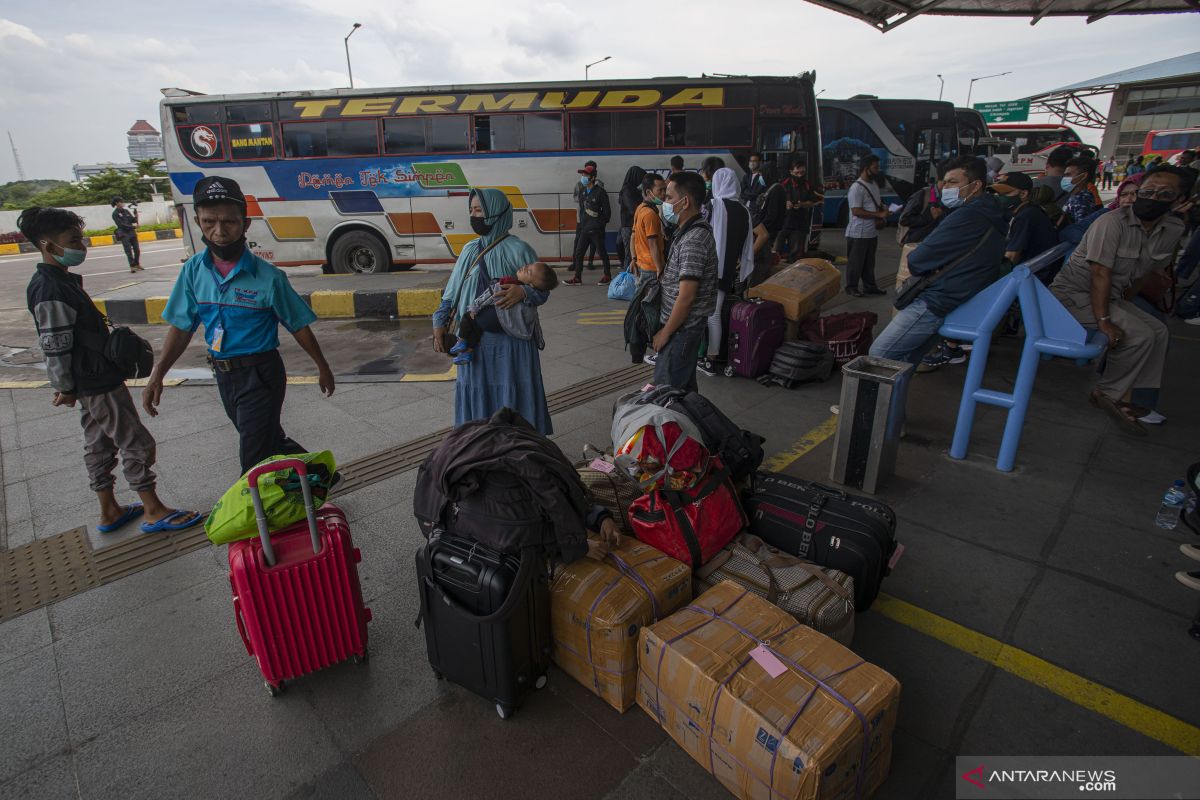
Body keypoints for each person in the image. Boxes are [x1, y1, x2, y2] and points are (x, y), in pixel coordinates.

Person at [21, 207, 202, 534]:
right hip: (96, 381)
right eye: (73, 240)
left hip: (89, 379)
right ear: (48, 246)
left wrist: (69, 384)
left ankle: (109, 510)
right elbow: (54, 343)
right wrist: (64, 386)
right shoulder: (50, 289)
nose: (82, 245)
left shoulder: (59, 281)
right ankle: (153, 508)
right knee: (135, 441)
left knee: (99, 443)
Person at [143, 177, 335, 476]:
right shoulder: (193, 271)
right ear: (197, 222)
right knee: (266, 439)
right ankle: (322, 475)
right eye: (209, 222)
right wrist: (158, 374)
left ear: (245, 224)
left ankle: (260, 518)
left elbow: (298, 326)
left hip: (261, 374)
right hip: (223, 374)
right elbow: (181, 328)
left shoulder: (269, 278)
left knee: (253, 458)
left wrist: (322, 366)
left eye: (229, 222)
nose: (219, 232)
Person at [1048, 166, 1189, 436]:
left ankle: (1133, 398)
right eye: (1148, 192)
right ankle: (1109, 392)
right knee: (1140, 334)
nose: (1153, 198)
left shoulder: (1172, 228)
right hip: (1076, 295)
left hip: (1112, 296)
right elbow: (1099, 273)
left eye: (1165, 194)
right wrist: (1105, 321)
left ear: (1179, 200)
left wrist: (1126, 305)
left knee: (1158, 331)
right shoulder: (1111, 223)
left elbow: (1147, 272)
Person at [433, 188, 553, 433]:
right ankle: (480, 445)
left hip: (512, 343)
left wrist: (524, 292)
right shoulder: (469, 250)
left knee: (512, 392)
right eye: (472, 210)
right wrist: (440, 321)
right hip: (473, 341)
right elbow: (452, 290)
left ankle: (518, 446)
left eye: (479, 210)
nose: (474, 216)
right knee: (478, 394)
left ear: (498, 213)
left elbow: (542, 289)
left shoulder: (520, 250)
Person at [870, 156, 1006, 366]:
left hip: (937, 300)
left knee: (879, 354)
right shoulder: (993, 212)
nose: (946, 188)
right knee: (907, 358)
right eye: (945, 182)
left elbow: (916, 260)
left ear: (976, 185)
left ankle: (875, 399)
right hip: (959, 296)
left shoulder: (967, 216)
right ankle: (893, 398)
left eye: (953, 182)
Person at [652, 171, 718, 392]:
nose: (665, 203)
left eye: (669, 198)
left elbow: (687, 296)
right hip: (682, 329)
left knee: (667, 393)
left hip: (681, 330)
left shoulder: (694, 240)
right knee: (684, 391)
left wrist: (666, 332)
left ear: (685, 202)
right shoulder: (686, 231)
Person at [698, 167, 754, 377]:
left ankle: (711, 360)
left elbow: (700, 227)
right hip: (728, 269)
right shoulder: (744, 210)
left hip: (709, 267)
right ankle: (711, 357)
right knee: (715, 313)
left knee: (709, 315)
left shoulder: (713, 205)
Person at [450, 262, 558, 365]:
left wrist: (475, 306)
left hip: (494, 320)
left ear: (531, 284)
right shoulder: (528, 294)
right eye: (528, 266)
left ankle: (461, 340)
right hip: (509, 328)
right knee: (477, 327)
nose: (525, 267)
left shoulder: (510, 283)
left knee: (469, 317)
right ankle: (468, 351)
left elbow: (492, 293)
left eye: (529, 271)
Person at [844, 155, 888, 297]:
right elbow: (856, 211)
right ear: (866, 168)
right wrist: (878, 215)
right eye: (875, 167)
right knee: (855, 263)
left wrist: (884, 209)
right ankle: (851, 287)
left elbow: (876, 203)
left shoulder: (874, 184)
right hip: (858, 233)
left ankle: (870, 287)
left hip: (871, 232)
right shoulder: (856, 188)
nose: (877, 170)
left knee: (869, 263)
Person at [994, 171, 1059, 266]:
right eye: (999, 193)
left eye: (1006, 193)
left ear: (1023, 194)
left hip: (1035, 275)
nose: (1000, 196)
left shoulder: (1026, 216)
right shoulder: (1028, 211)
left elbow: (1012, 257)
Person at [566, 164, 612, 286]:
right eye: (582, 175)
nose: (583, 177)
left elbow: (607, 213)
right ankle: (577, 278)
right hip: (584, 229)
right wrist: (582, 224)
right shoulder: (582, 192)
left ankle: (607, 275)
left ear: (592, 178)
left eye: (585, 175)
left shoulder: (600, 192)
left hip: (596, 229)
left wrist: (599, 223)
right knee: (579, 253)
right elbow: (581, 210)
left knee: (601, 252)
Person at [777, 160, 823, 260]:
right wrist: (785, 203)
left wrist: (802, 204)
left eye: (802, 173)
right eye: (797, 173)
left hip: (800, 223)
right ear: (791, 172)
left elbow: (812, 202)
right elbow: (776, 202)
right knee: (775, 250)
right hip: (783, 222)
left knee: (795, 252)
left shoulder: (807, 185)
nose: (799, 176)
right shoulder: (783, 184)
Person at [632, 173, 666, 277]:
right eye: (660, 190)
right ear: (648, 192)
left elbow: (633, 236)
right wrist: (660, 269)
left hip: (642, 264)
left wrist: (634, 258)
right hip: (652, 268)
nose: (664, 194)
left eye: (665, 189)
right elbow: (653, 244)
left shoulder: (640, 208)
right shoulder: (650, 214)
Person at [571, 160, 602, 271]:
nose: (584, 175)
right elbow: (574, 197)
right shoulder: (579, 184)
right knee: (578, 241)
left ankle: (590, 261)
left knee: (594, 243)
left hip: (594, 220)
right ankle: (574, 262)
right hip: (581, 218)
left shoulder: (599, 184)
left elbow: (600, 199)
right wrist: (582, 198)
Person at [617, 167, 647, 273]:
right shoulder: (628, 190)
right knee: (630, 255)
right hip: (629, 226)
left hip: (630, 225)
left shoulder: (632, 189)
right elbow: (633, 209)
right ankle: (626, 280)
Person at [1058, 157, 1099, 227]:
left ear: (1083, 176)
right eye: (1064, 175)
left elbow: (1081, 230)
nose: (1064, 178)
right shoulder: (1074, 195)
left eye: (1068, 175)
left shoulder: (1082, 200)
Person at [111, 197, 142, 273]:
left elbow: (133, 220)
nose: (123, 203)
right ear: (117, 203)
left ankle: (137, 264)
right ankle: (132, 266)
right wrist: (134, 227)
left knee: (137, 250)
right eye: (121, 202)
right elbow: (121, 225)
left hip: (132, 233)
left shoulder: (126, 211)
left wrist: (136, 216)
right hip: (124, 233)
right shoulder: (115, 214)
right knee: (128, 251)